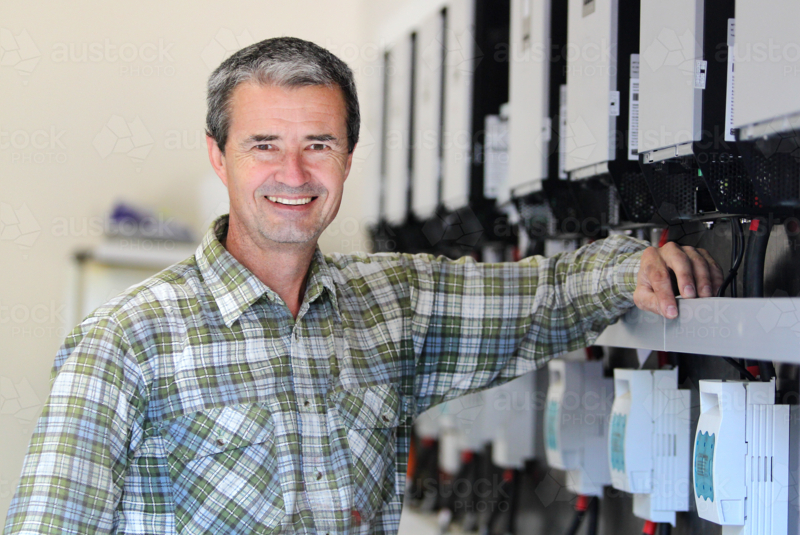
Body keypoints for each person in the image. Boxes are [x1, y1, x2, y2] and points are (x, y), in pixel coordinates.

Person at [4, 37, 722, 535]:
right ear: (218, 157)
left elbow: (547, 296)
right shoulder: (125, 342)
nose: (294, 174)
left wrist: (632, 266)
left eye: (318, 144)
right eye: (264, 146)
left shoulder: (392, 305)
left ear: (348, 157)